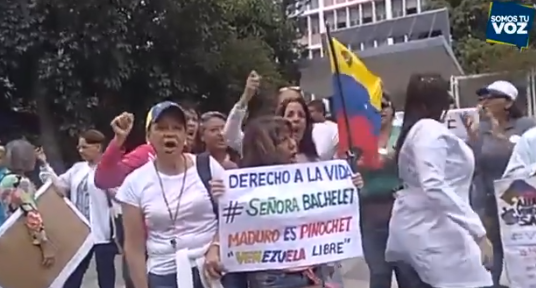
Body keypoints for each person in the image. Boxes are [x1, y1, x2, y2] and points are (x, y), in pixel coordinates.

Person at [223, 115, 361, 288]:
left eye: (292, 137)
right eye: (283, 140)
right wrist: (221, 195)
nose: (292, 144)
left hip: (313, 272)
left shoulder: (307, 178)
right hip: (274, 278)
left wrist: (349, 186)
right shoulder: (244, 192)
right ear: (263, 148)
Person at [386, 73, 493, 288]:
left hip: (423, 231)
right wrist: (478, 232)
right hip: (436, 235)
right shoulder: (428, 129)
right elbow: (433, 183)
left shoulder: (417, 131)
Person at [115, 101, 231, 288]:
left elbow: (232, 217)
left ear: (186, 136)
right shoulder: (135, 183)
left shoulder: (208, 167)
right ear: (148, 136)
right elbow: (133, 247)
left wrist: (216, 247)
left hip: (213, 269)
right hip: (164, 275)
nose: (169, 133)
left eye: (177, 128)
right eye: (161, 128)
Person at [464, 80, 535, 287]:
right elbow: (472, 166)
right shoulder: (480, 127)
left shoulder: (527, 127)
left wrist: (498, 135)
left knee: (521, 261)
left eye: (491, 97)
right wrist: (473, 139)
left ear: (508, 102)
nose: (485, 102)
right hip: (488, 205)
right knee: (492, 263)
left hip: (520, 208)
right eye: (483, 97)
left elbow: (521, 162)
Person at [40, 129, 117, 288]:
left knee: (106, 277)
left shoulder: (109, 168)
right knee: (73, 275)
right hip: (80, 232)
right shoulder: (78, 168)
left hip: (103, 232)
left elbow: (120, 195)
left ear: (98, 147)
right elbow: (61, 188)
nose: (81, 151)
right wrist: (46, 166)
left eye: (84, 147)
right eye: (79, 147)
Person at [357, 93, 418, 288]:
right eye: (375, 106)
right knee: (379, 274)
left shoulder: (404, 135)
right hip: (370, 213)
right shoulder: (358, 138)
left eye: (384, 105)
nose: (380, 110)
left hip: (401, 211)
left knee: (407, 273)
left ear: (392, 109)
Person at [224, 71, 338, 160]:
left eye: (301, 115)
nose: (296, 119)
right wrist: (246, 97)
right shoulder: (262, 149)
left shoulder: (318, 155)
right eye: (290, 114)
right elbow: (230, 136)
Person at [0, 139, 55, 266]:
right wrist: (45, 245)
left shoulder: (4, 179)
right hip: (19, 239)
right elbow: (31, 213)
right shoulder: (19, 181)